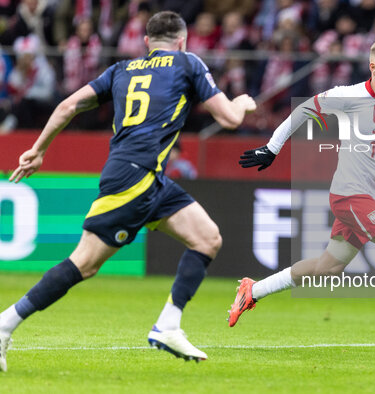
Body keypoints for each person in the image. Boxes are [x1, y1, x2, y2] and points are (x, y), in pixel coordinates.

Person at [0, 11, 256, 372]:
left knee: (207, 238)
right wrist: (242, 103)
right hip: (134, 178)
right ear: (182, 41)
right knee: (84, 264)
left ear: (147, 43)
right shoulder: (188, 63)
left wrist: (39, 150)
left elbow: (67, 105)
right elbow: (229, 118)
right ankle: (4, 324)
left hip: (148, 177)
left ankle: (168, 324)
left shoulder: (123, 69)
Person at [230, 37, 375, 343]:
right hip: (349, 195)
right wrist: (272, 149)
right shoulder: (348, 95)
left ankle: (253, 289)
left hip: (369, 197)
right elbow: (303, 110)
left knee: (328, 267)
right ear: (373, 67)